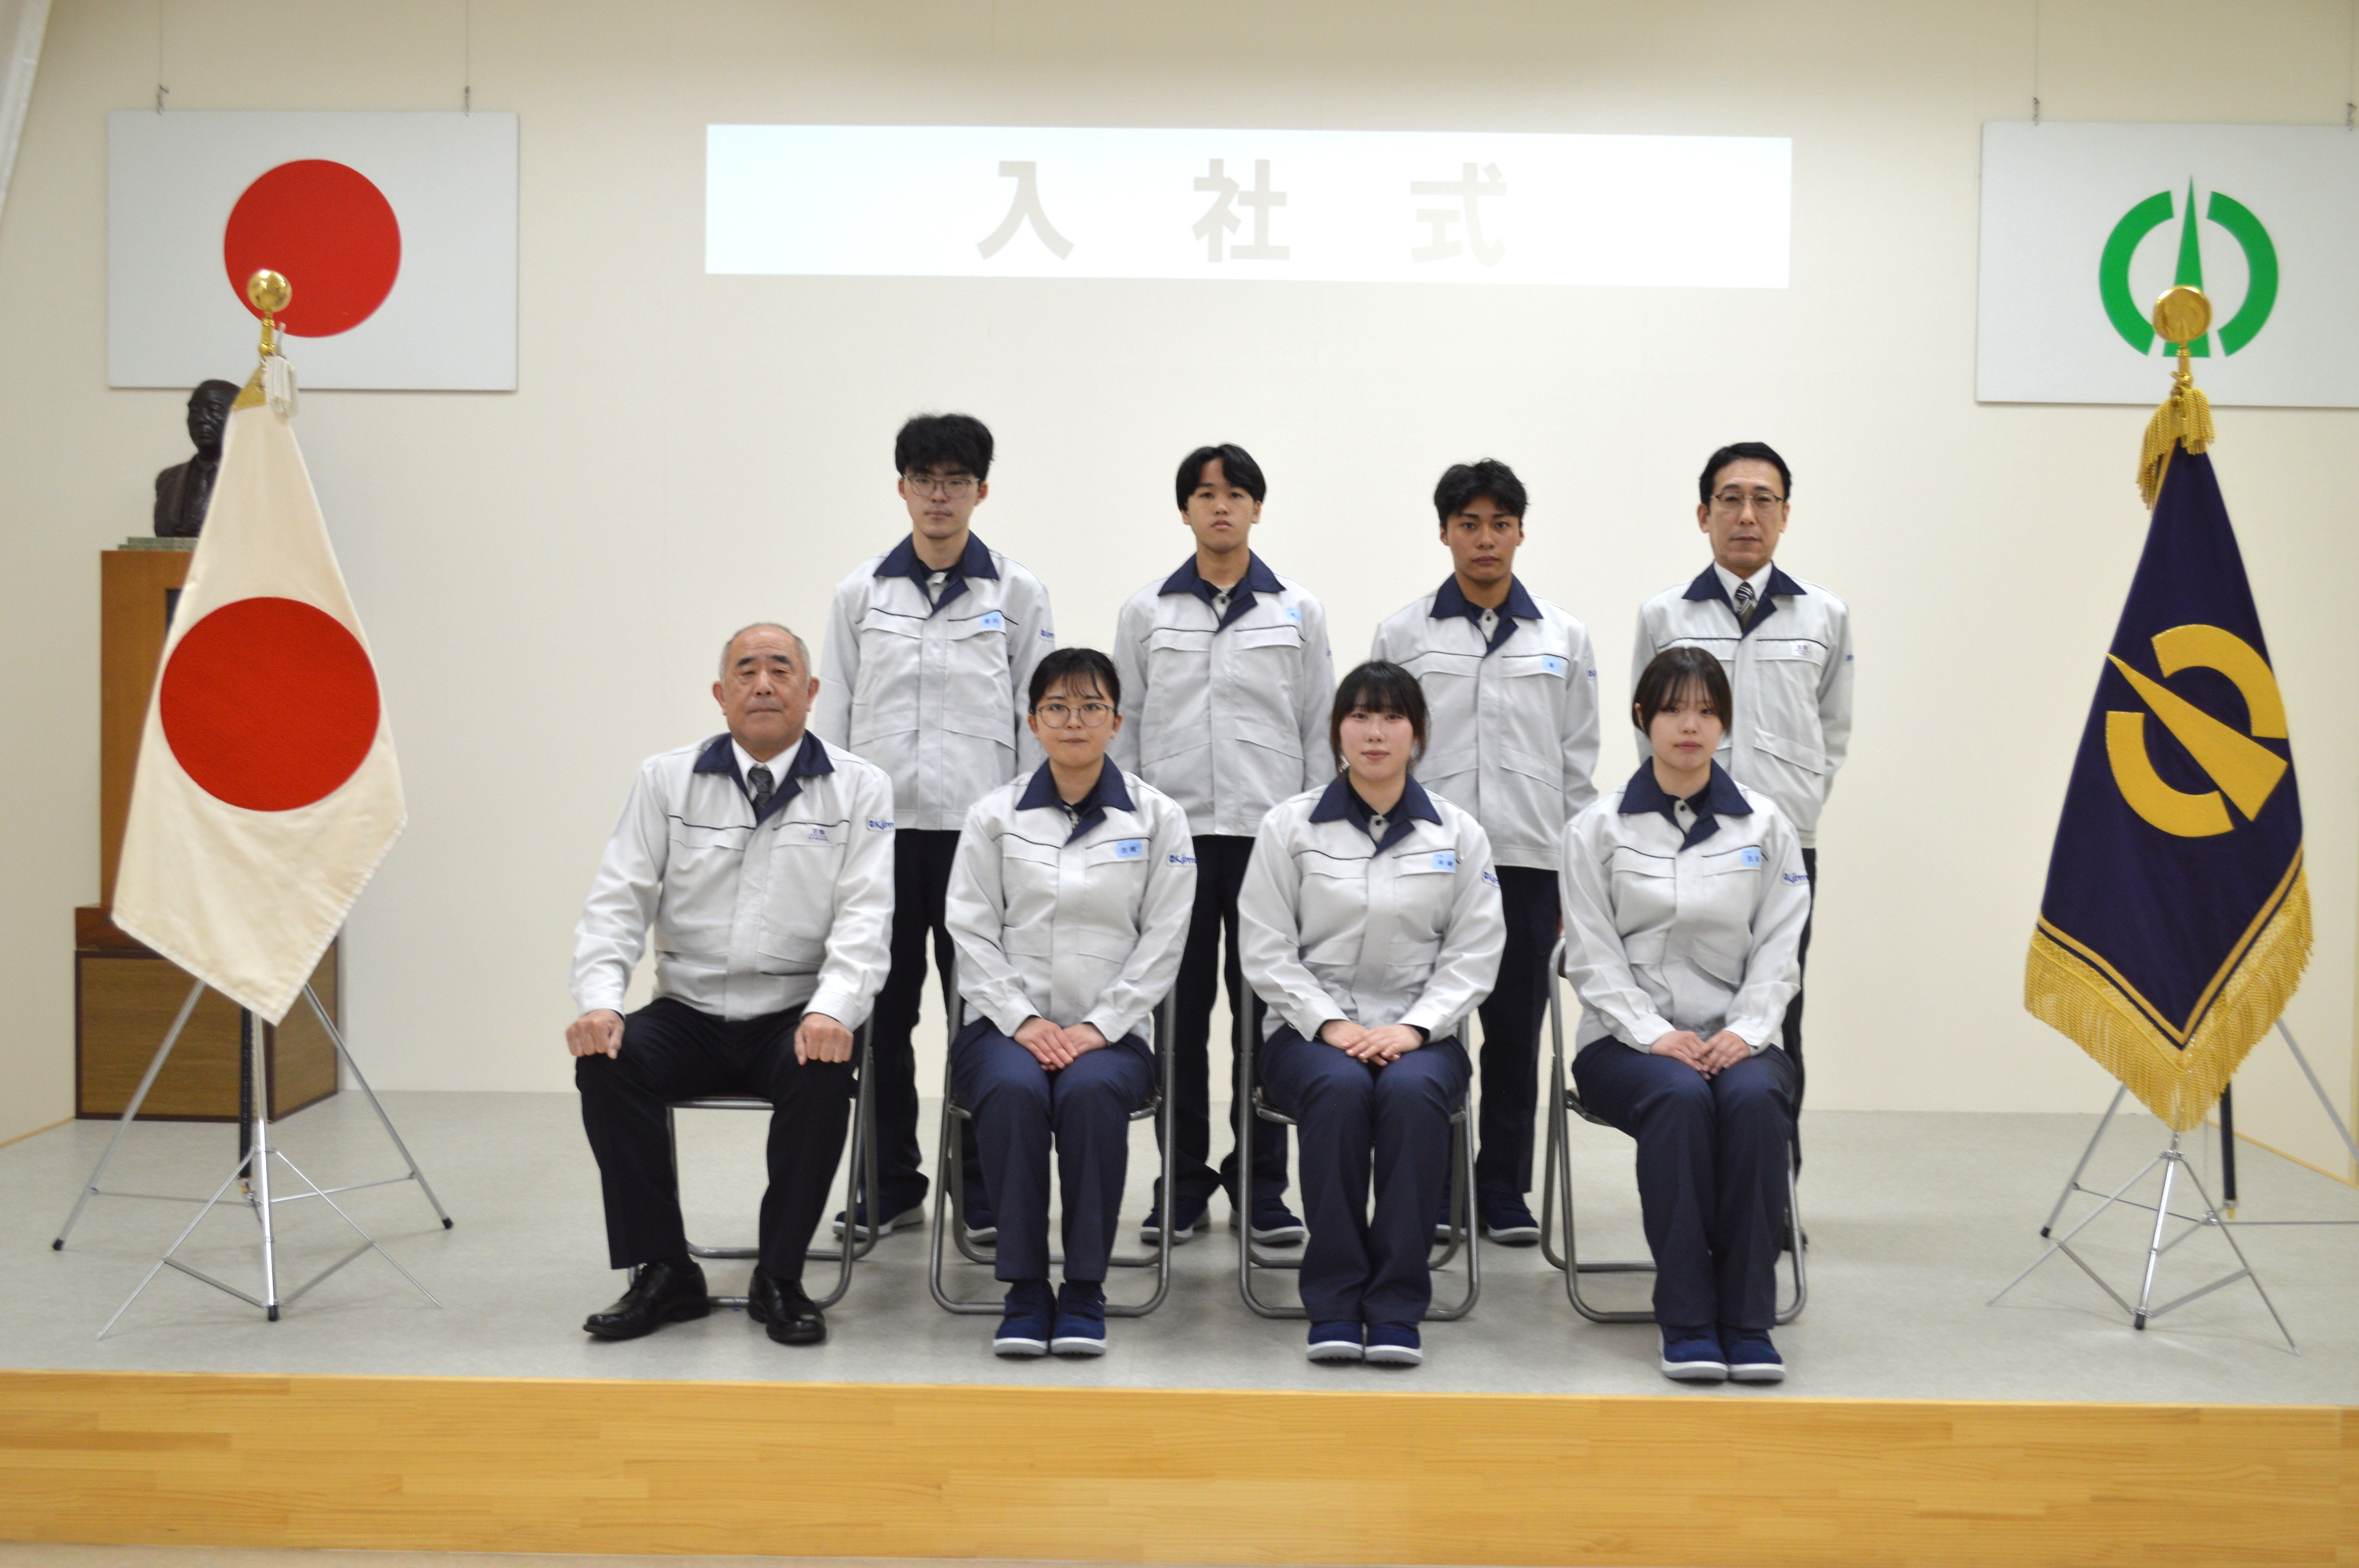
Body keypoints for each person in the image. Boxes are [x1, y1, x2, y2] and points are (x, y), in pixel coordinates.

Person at [570, 624, 894, 1347]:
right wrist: (599, 1002)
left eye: (781, 670)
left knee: (825, 1068)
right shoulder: (666, 778)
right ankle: (664, 1270)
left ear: (811, 692)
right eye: (746, 671)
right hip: (688, 1011)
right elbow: (618, 900)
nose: (763, 684)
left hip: (793, 1012)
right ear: (721, 695)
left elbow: (867, 917)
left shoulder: (860, 785)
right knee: (605, 1063)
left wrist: (833, 1010)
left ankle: (779, 1276)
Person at [812, 413, 1055, 1242]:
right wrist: (836, 836)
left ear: (981, 491)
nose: (939, 495)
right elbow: (836, 722)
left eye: (955, 481)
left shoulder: (1017, 593)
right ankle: (888, 1183)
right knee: (880, 1015)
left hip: (979, 843)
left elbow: (1035, 722)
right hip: (882, 840)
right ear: (902, 488)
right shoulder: (860, 594)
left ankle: (979, 1186)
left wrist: (1027, 838)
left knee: (982, 1016)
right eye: (924, 480)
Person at [1239, 662, 1505, 1367]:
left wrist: (1415, 1028)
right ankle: (1333, 1301)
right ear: (1338, 732)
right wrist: (1331, 1024)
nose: (1376, 733)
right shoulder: (1289, 826)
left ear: (1418, 734)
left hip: (1423, 1034)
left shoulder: (1459, 833)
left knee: (1413, 1097)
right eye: (1359, 716)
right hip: (1309, 1035)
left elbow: (1475, 953)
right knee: (1339, 1088)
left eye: (1392, 717)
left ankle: (1394, 1304)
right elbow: (1265, 948)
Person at [1558, 646, 1810, 1384]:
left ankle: (1749, 1318)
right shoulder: (1596, 829)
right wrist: (1654, 1035)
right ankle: (1690, 1318)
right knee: (1678, 1099)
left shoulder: (1767, 826)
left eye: (1705, 711)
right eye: (1673, 709)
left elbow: (1781, 949)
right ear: (1643, 719)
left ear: (1725, 723)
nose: (1689, 726)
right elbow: (1591, 956)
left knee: (1756, 1101)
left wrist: (1745, 1033)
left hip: (1739, 1040)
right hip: (1624, 1046)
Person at [1369, 459, 1599, 1245]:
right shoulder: (1403, 634)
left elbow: (1577, 766)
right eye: (1468, 524)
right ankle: (1433, 1187)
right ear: (1444, 533)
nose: (1485, 539)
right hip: (1424, 862)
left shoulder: (1564, 637)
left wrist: (1575, 879)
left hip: (1529, 861)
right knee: (1426, 1026)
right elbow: (1380, 753)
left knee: (1514, 1033)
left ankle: (1501, 1188)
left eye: (1500, 524)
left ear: (1520, 532)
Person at [1110, 443, 1331, 1249]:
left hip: (1270, 845)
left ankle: (1262, 1186)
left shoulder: (1297, 610)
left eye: (1236, 493)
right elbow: (1125, 730)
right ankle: (1180, 1183)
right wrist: (1128, 843)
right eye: (1205, 495)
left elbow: (1319, 726)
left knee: (1265, 1017)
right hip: (1175, 846)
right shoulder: (1146, 612)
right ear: (1185, 511)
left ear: (1256, 508)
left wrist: (1316, 845)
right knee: (1177, 1016)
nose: (1221, 507)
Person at [946, 648, 1195, 1357]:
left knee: (1089, 1095)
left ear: (1117, 722)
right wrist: (1022, 1020)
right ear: (1033, 723)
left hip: (1111, 1038)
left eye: (1091, 708)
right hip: (1004, 1031)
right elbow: (970, 930)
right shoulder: (993, 817)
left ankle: (1085, 1289)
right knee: (1014, 1091)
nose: (1074, 721)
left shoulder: (1159, 819)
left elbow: (1165, 940)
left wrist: (1100, 1025)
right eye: (1057, 707)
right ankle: (1026, 1290)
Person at [1632, 442, 1850, 1156]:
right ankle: (1694, 1169)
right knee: (1684, 1004)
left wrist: (1798, 809)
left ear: (1785, 514)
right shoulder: (1665, 614)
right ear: (1704, 515)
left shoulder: (1824, 615)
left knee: (1777, 1014)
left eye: (1764, 500)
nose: (1747, 515)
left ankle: (1773, 1185)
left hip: (1784, 849)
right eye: (1731, 500)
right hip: (1685, 843)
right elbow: (1647, 726)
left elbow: (1833, 730)